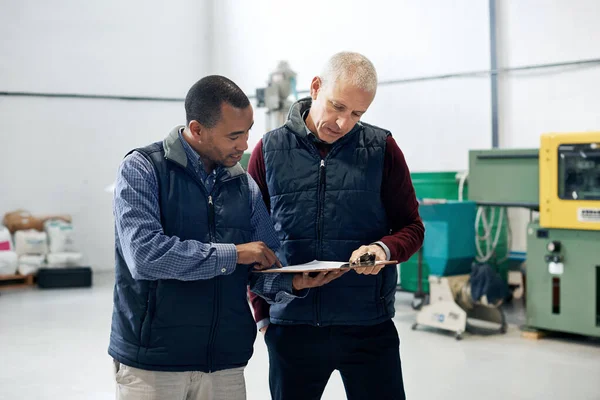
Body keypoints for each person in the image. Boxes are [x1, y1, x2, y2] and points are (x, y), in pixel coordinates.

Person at [107, 75, 343, 400]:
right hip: (153, 362)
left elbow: (261, 267)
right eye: (234, 135)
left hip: (225, 364)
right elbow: (145, 257)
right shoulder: (142, 170)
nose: (245, 145)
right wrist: (235, 253)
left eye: (248, 131)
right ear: (197, 129)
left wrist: (293, 282)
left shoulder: (243, 186)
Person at [247, 52, 425, 400]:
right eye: (337, 106)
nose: (343, 122)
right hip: (292, 326)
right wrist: (263, 317)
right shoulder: (269, 150)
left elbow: (411, 226)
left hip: (367, 326)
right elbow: (249, 240)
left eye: (357, 114)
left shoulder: (382, 149)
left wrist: (382, 249)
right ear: (315, 88)